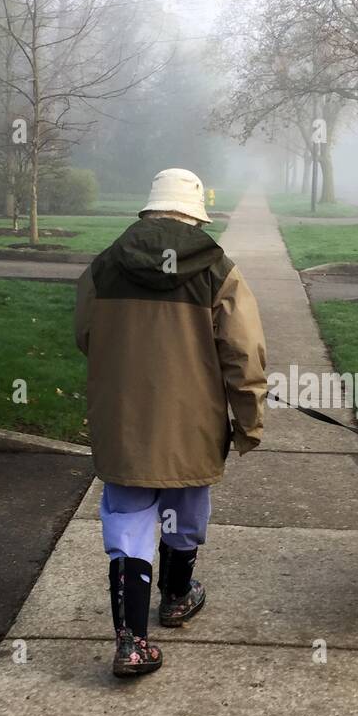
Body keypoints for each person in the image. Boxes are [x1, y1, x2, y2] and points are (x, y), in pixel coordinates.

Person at [74, 168, 266, 677]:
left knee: (127, 521)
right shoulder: (218, 270)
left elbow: (85, 335)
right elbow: (242, 355)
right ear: (194, 215)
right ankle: (177, 598)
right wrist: (249, 420)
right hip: (193, 423)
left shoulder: (104, 266)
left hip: (125, 422)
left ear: (149, 209)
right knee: (185, 509)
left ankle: (132, 641)